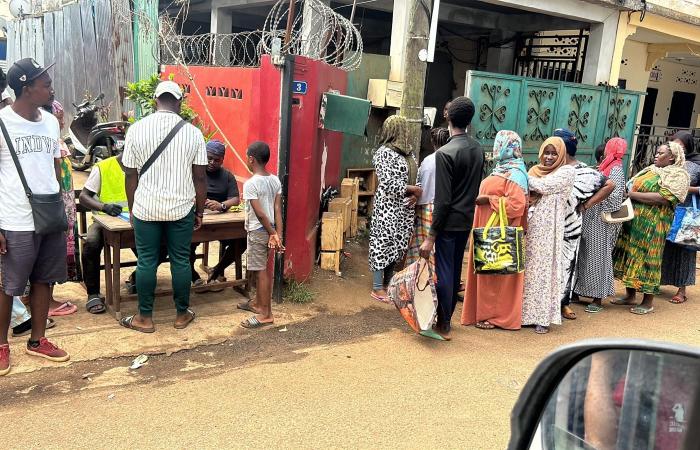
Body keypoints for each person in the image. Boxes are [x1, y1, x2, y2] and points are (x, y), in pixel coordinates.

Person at [0, 58, 71, 376]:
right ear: (26, 89)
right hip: (14, 219)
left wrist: (58, 203)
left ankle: (37, 339)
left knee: (44, 279)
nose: (51, 87)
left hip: (49, 215)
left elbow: (56, 166)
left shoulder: (51, 122)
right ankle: (1, 345)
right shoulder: (2, 123)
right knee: (8, 287)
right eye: (45, 83)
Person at [120, 80, 207, 333]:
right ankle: (181, 315)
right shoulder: (193, 133)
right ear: (179, 102)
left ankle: (145, 318)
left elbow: (130, 175)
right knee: (181, 260)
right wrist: (199, 211)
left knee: (146, 261)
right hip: (181, 208)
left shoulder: (136, 130)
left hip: (146, 208)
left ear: (156, 100)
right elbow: (200, 178)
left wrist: (133, 208)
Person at [419, 97, 484, 340]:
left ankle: (443, 323)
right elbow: (476, 187)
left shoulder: (444, 153)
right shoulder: (477, 148)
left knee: (445, 273)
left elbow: (443, 200)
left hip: (447, 222)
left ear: (447, 117)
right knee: (455, 270)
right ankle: (445, 320)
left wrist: (430, 237)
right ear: (469, 120)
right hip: (466, 219)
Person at [461, 130, 528, 330]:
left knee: (496, 275)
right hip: (487, 227)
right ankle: (482, 313)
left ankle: (496, 316)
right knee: (487, 272)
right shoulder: (501, 169)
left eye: (501, 144)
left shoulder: (515, 173)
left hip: (498, 233)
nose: (497, 147)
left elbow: (517, 205)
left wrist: (488, 200)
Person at [613, 142, 689, 315]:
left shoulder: (678, 175)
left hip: (654, 223)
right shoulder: (651, 170)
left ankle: (647, 301)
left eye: (660, 153)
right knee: (631, 254)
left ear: (671, 157)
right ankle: (630, 295)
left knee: (649, 258)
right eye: (656, 152)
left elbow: (663, 198)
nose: (656, 155)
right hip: (635, 220)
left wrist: (631, 195)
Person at [552, 128, 613, 321]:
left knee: (567, 264)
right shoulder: (550, 167)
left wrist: (587, 204)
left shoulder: (583, 171)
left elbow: (610, 185)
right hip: (547, 225)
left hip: (569, 227)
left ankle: (564, 304)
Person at [522, 137, 575, 334]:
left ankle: (543, 317)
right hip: (531, 228)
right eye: (547, 152)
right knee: (529, 270)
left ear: (561, 154)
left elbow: (542, 187)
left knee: (545, 272)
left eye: (554, 153)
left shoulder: (566, 172)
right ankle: (526, 314)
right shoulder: (534, 170)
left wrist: (516, 171)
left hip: (549, 231)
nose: (550, 157)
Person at [368, 115, 421, 302]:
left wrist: (415, 195)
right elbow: (388, 182)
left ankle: (389, 283)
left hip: (405, 209)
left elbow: (417, 176)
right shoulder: (383, 153)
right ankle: (376, 287)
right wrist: (411, 189)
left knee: (397, 245)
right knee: (382, 243)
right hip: (387, 207)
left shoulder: (409, 154)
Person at [574, 138, 627, 313]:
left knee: (598, 256)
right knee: (583, 253)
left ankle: (598, 297)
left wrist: (592, 199)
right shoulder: (606, 167)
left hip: (601, 219)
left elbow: (614, 200)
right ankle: (577, 291)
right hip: (590, 216)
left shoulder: (616, 170)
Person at [238, 141, 284, 329]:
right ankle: (257, 304)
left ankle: (266, 314)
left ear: (251, 159)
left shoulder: (251, 184)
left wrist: (272, 233)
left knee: (261, 272)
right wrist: (278, 234)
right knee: (263, 268)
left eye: (247, 156)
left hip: (259, 231)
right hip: (270, 230)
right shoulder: (275, 180)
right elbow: (277, 209)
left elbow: (260, 213)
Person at [189, 139, 241, 289]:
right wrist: (197, 201)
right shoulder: (194, 171)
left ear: (222, 160)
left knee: (240, 242)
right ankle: (193, 276)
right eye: (209, 158)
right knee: (186, 244)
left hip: (220, 220)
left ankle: (217, 270)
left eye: (216, 160)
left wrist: (222, 205)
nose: (212, 162)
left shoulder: (227, 176)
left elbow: (236, 199)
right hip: (197, 218)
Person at [660, 131, 700, 304]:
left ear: (688, 146)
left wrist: (682, 188)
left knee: (684, 249)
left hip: (686, 212)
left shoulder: (697, 164)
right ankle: (660, 281)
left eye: (681, 144)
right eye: (673, 143)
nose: (677, 147)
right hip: (668, 208)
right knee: (664, 246)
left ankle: (682, 290)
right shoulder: (668, 162)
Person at [406, 127, 448, 266]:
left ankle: (423, 280)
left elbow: (421, 187)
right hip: (445, 208)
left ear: (432, 142)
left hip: (426, 208)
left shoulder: (428, 161)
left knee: (423, 248)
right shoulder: (451, 159)